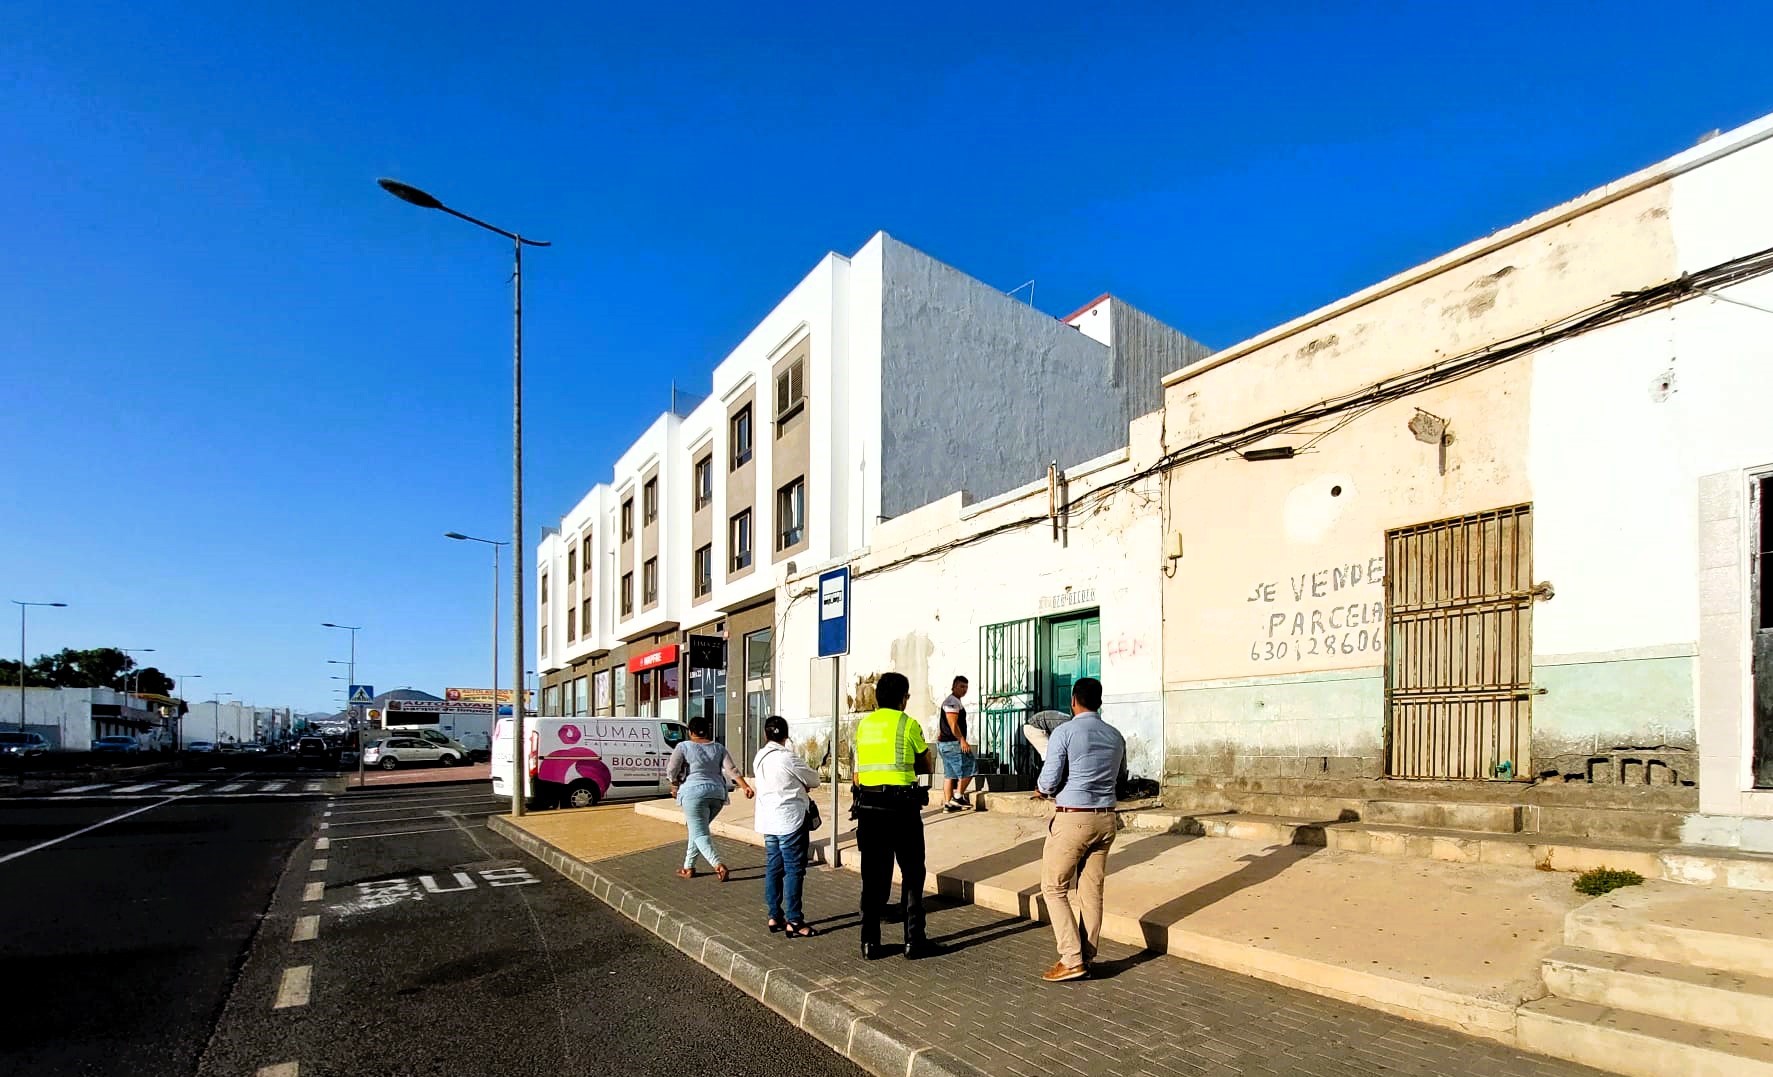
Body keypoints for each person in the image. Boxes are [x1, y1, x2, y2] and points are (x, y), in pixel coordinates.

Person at [1036, 676, 1126, 982]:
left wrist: (1044, 789)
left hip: (1074, 818)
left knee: (1053, 887)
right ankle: (1087, 956)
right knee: (1091, 891)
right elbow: (1121, 778)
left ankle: (1071, 957)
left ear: (1073, 700)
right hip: (1106, 818)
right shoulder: (1115, 736)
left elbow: (1048, 781)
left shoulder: (1064, 732)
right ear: (1099, 702)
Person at [851, 671, 939, 960]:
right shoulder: (908, 724)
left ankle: (869, 942)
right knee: (913, 873)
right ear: (904, 698)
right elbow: (926, 763)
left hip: (869, 809)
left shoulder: (863, 727)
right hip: (902, 809)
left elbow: (857, 774)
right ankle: (914, 941)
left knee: (872, 876)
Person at [753, 715, 821, 938]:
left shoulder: (759, 758)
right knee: (794, 869)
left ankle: (774, 915)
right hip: (789, 820)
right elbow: (814, 779)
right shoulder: (787, 758)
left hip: (768, 820)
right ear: (786, 735)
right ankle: (794, 920)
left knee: (774, 866)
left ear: (765, 734)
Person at [667, 716, 753, 881]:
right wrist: (745, 786)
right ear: (707, 731)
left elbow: (672, 769)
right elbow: (731, 769)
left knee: (699, 832)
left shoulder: (683, 746)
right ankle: (688, 867)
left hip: (693, 794)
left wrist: (674, 785)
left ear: (690, 732)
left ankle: (718, 865)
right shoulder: (719, 748)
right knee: (698, 830)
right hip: (717, 794)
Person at [937, 675, 976, 812]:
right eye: (961, 686)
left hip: (945, 743)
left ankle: (948, 805)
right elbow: (952, 724)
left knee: (950, 775)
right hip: (953, 743)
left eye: (966, 687)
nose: (964, 689)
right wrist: (962, 740)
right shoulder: (952, 702)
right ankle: (958, 797)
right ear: (953, 687)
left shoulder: (954, 701)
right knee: (971, 767)